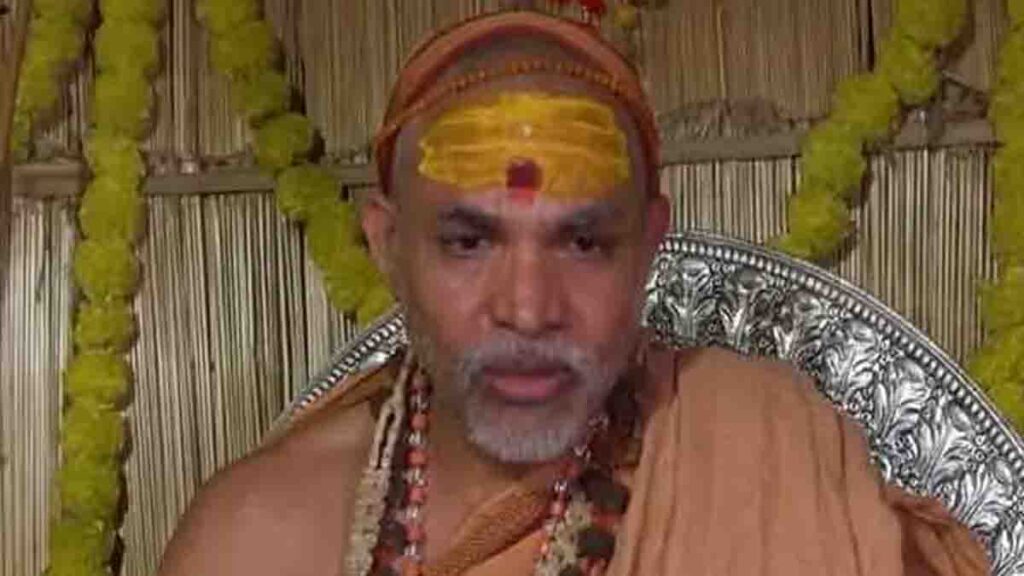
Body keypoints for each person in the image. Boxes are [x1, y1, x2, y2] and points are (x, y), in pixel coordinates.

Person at [158, 11, 989, 576]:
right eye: (468, 242)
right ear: (387, 247)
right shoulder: (258, 537)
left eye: (584, 243)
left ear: (650, 244)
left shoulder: (768, 456)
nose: (528, 308)